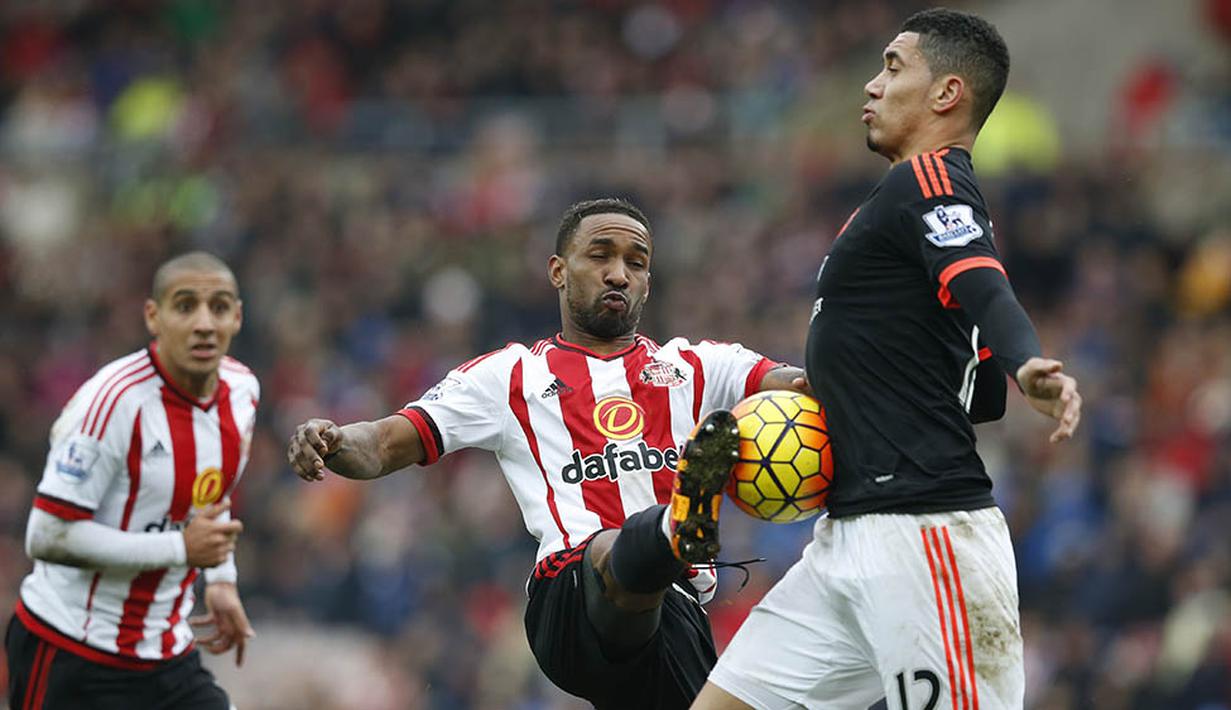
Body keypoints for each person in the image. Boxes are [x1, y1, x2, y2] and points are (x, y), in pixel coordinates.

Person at [692, 9, 1083, 710]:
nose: (871, 85)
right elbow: (977, 393)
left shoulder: (931, 179)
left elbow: (982, 284)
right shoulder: (900, 204)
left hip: (922, 537)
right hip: (845, 540)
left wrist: (1027, 362)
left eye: (893, 67)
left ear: (946, 94)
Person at [287, 198, 807, 709]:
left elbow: (798, 388)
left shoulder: (699, 367)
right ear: (558, 271)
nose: (619, 273)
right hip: (570, 593)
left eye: (636, 262)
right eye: (600, 255)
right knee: (612, 548)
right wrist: (333, 440)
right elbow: (382, 443)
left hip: (675, 613)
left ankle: (666, 538)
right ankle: (670, 530)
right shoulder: (510, 376)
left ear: (648, 281)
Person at [6, 252, 259, 710]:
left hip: (167, 654)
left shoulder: (243, 392)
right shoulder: (112, 403)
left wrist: (221, 579)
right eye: (185, 306)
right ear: (153, 316)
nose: (204, 323)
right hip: (73, 653)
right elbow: (45, 535)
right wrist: (182, 550)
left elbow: (211, 496)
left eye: (219, 307)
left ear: (237, 317)